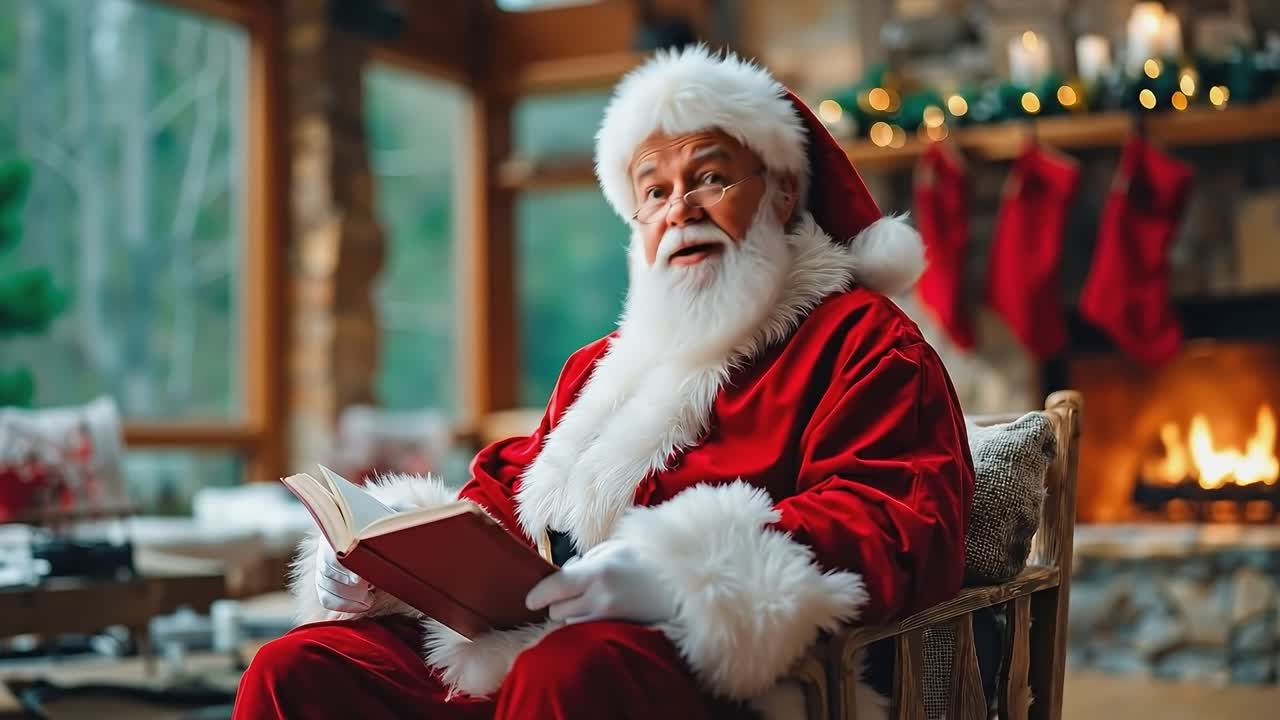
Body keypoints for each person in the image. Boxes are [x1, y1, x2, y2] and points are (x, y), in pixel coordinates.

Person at [234, 45, 973, 720]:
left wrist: (685, 578)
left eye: (710, 177)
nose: (679, 209)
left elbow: (898, 521)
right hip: (537, 653)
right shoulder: (600, 366)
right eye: (653, 192)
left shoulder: (866, 344)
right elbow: (504, 504)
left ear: (781, 192)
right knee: (298, 667)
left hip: (736, 680)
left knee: (568, 675)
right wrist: (384, 567)